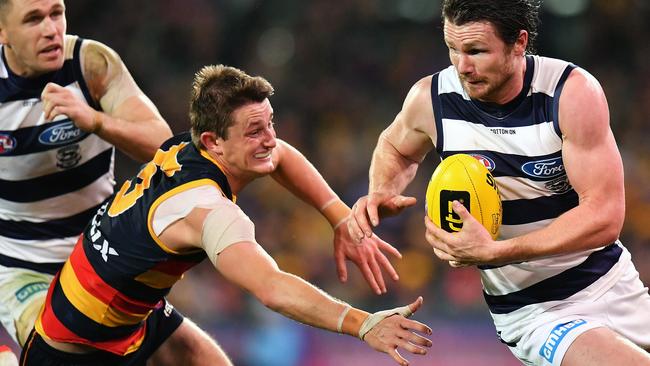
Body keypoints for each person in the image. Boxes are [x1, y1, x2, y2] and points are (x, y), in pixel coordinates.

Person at [0, 0, 401, 356]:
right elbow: (272, 289)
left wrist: (339, 215)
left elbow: (279, 156)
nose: (270, 142)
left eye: (57, 13)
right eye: (255, 132)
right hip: (76, 342)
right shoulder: (206, 208)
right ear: (214, 141)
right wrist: (363, 324)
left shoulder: (187, 147)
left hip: (120, 301)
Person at [348, 0, 650, 365]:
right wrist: (382, 188)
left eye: (476, 51)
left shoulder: (569, 93)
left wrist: (495, 253)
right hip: (534, 312)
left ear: (519, 43)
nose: (462, 66)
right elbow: (396, 146)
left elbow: (604, 216)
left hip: (612, 283)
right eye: (453, 49)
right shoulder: (432, 99)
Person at [0, 0, 172, 352]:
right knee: (64, 347)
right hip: (23, 263)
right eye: (33, 19)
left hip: (101, 249)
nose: (51, 29)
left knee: (193, 354)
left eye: (56, 13)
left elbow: (162, 144)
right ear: (2, 32)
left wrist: (95, 120)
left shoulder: (89, 63)